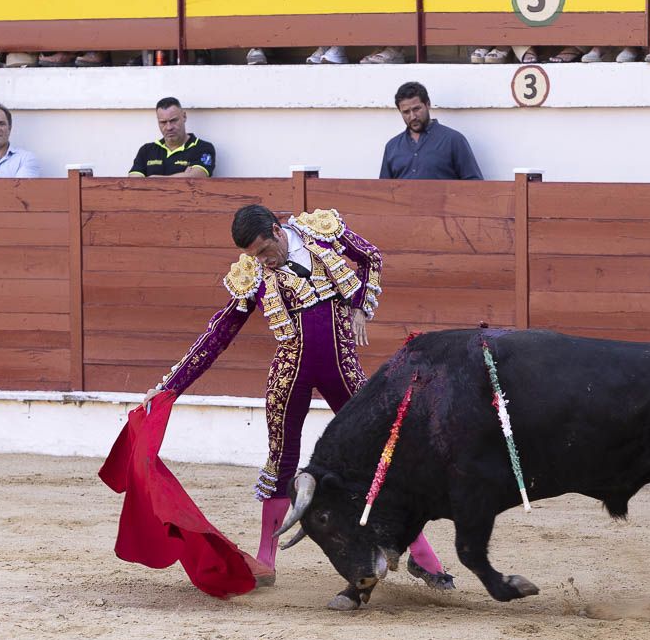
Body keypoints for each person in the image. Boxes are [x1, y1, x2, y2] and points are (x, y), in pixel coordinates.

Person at [140, 205, 453, 589]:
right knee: (281, 460)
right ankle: (265, 560)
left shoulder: (321, 233)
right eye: (253, 255)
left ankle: (422, 556)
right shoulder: (252, 274)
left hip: (343, 368)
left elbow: (371, 257)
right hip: (290, 374)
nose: (262, 260)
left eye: (264, 250)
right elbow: (219, 333)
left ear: (277, 230)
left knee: (381, 453)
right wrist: (171, 386)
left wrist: (359, 307)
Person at [380, 81, 483, 180]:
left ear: (428, 104)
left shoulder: (453, 140)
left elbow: (474, 184)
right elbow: (382, 188)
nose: (412, 116)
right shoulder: (392, 146)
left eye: (416, 109)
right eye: (406, 112)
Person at [128, 97, 216, 178]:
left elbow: (197, 177)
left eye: (173, 120)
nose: (169, 127)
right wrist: (183, 176)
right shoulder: (146, 150)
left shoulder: (203, 148)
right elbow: (133, 182)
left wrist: (153, 179)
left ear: (184, 117)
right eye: (163, 122)